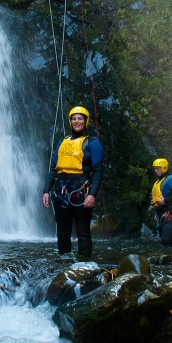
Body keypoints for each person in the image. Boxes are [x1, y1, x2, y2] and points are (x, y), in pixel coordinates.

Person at [42, 106, 103, 259]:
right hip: (61, 191)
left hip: (81, 191)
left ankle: (84, 265)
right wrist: (45, 190)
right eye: (74, 118)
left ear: (86, 121)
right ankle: (64, 262)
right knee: (62, 230)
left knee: (82, 230)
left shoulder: (92, 143)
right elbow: (53, 169)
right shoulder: (62, 142)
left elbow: (97, 171)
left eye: (80, 118)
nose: (76, 121)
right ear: (70, 121)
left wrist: (92, 194)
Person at [148, 158, 172, 247]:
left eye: (157, 168)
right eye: (155, 168)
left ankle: (170, 259)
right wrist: (155, 202)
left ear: (163, 168)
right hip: (161, 215)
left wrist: (165, 200)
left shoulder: (170, 179)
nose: (155, 171)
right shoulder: (158, 182)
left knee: (166, 240)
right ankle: (169, 259)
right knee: (165, 242)